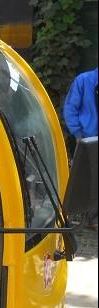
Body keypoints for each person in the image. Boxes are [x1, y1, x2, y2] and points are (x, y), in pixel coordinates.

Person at [63, 66, 98, 229]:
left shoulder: (84, 80)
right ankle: (88, 217)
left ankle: (92, 217)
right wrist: (77, 134)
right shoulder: (84, 80)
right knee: (85, 179)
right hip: (87, 139)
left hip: (87, 136)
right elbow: (70, 108)